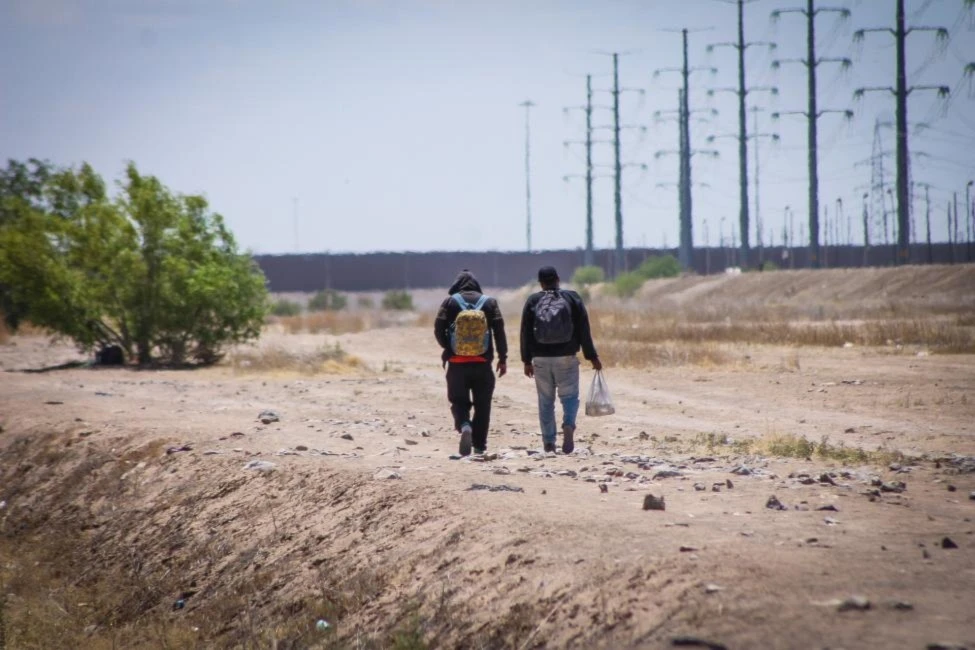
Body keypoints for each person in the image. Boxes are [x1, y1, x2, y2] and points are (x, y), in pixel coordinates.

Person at [521, 265, 601, 454]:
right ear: (558, 278)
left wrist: (526, 360)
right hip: (566, 356)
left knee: (545, 400)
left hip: (540, 358)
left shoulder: (533, 300)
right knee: (570, 397)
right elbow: (584, 329)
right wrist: (592, 356)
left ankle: (549, 441)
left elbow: (525, 333)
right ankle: (568, 425)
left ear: (540, 283)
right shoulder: (572, 298)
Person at [434, 270, 508, 456]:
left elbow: (438, 329)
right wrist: (503, 358)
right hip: (483, 363)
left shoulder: (449, 302)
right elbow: (499, 332)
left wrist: (449, 349)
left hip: (457, 364)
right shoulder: (490, 303)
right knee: (483, 406)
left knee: (458, 401)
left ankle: (465, 425)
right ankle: (479, 446)